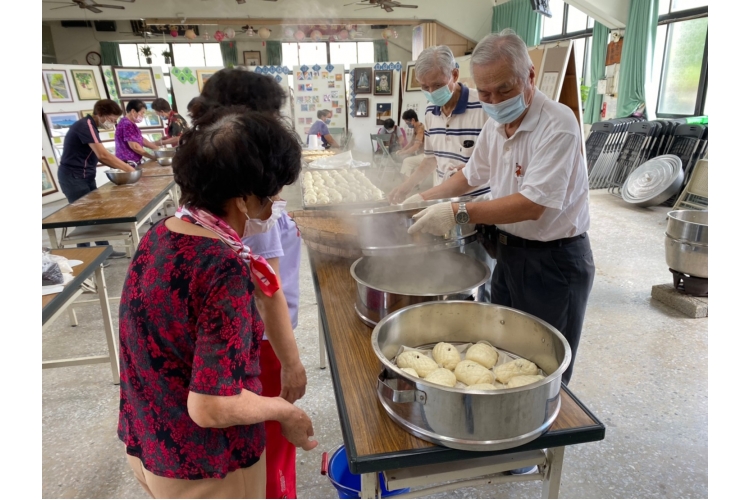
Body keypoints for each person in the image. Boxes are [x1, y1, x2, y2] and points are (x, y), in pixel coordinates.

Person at [118, 107, 317, 499]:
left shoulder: (164, 233)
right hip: (206, 466)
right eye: (272, 195)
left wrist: (291, 364)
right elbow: (211, 406)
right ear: (243, 200)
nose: (276, 203)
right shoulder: (223, 267)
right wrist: (285, 411)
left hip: (148, 442)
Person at [406, 30, 595, 387]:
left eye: (504, 90)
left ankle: (544, 421)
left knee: (544, 367)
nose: (493, 101)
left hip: (553, 262)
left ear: (530, 76)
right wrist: (422, 198)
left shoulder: (557, 124)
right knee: (505, 353)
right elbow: (470, 176)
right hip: (509, 255)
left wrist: (458, 212)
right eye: (485, 93)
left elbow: (533, 205)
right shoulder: (496, 125)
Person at [191, 67, 305, 499]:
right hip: (264, 343)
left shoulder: (215, 180)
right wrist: (291, 361)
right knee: (272, 434)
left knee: (258, 434)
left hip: (249, 340)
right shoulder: (249, 199)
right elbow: (267, 290)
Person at [389, 45, 490, 204]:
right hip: (442, 201)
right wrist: (406, 187)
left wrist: (424, 197)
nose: (431, 92)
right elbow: (431, 159)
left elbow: (493, 163)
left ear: (454, 75)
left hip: (478, 203)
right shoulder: (430, 111)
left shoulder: (484, 106)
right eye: (424, 87)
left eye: (437, 85)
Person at [56, 99, 135, 257]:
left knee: (97, 213)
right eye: (111, 119)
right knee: (83, 215)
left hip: (86, 175)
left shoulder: (91, 126)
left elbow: (100, 155)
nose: (113, 123)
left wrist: (123, 167)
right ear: (100, 114)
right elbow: (103, 155)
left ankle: (105, 250)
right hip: (73, 177)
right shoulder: (86, 125)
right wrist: (130, 170)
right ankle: (86, 254)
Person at [114, 99, 162, 164]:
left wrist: (159, 149)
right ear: (133, 111)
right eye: (142, 113)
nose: (143, 116)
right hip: (128, 162)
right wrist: (152, 157)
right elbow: (135, 146)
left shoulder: (131, 124)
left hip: (133, 161)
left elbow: (142, 140)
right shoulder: (127, 124)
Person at [395, 109, 426, 177]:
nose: (407, 125)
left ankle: (406, 183)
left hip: (425, 155)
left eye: (407, 123)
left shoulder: (420, 129)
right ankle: (410, 181)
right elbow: (411, 143)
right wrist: (402, 150)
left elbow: (415, 147)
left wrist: (403, 153)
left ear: (413, 120)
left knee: (407, 162)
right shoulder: (416, 127)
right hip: (421, 154)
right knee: (408, 161)